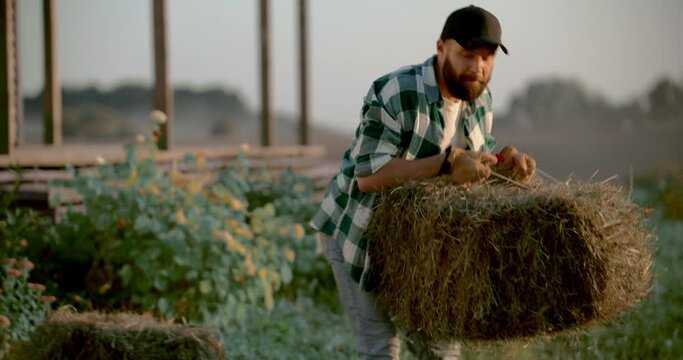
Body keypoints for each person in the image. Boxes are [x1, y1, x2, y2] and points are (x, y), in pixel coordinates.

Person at [310, 5, 535, 359]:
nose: (478, 68)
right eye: (467, 55)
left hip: (423, 245)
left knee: (441, 351)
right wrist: (446, 165)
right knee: (382, 348)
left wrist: (505, 164)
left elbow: (479, 158)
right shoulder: (397, 92)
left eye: (487, 58)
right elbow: (367, 178)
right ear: (441, 47)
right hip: (361, 233)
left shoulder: (479, 98)